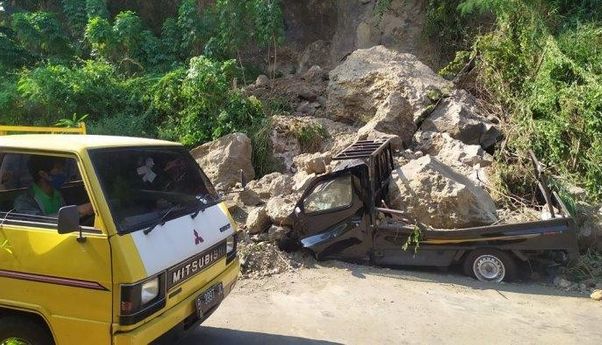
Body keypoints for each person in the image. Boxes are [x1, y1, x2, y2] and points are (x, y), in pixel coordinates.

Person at [14, 156, 93, 218]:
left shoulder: (57, 194)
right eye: (58, 169)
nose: (62, 172)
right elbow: (39, 223)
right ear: (43, 174)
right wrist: (78, 211)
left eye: (62, 168)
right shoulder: (24, 201)